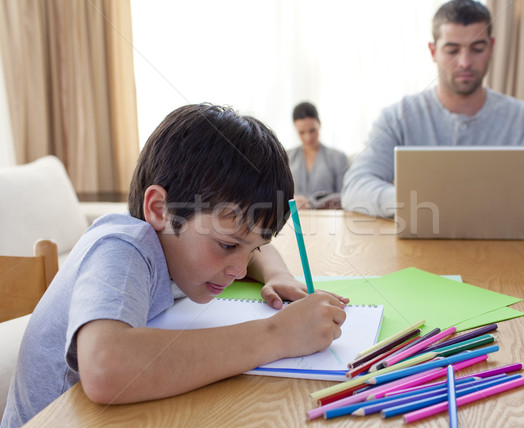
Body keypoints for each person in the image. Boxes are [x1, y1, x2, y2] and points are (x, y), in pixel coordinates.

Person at [1, 103, 349, 427]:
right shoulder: (121, 248)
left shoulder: (179, 247)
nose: (240, 269)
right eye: (227, 245)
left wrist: (277, 274)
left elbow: (250, 246)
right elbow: (106, 367)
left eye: (253, 248)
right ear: (159, 210)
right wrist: (278, 334)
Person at [341, 0, 524, 218]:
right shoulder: (398, 117)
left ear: (491, 48)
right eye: (452, 50)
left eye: (477, 48)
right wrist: (427, 204)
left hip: (509, 257)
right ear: (433, 51)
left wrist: (490, 203)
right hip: (419, 255)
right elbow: (355, 187)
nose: (465, 62)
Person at [287, 102, 348, 209]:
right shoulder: (286, 157)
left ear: (319, 124)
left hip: (329, 220)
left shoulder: (338, 157)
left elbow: (345, 197)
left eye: (312, 130)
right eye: (302, 132)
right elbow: (278, 195)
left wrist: (310, 203)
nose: (308, 138)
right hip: (295, 220)